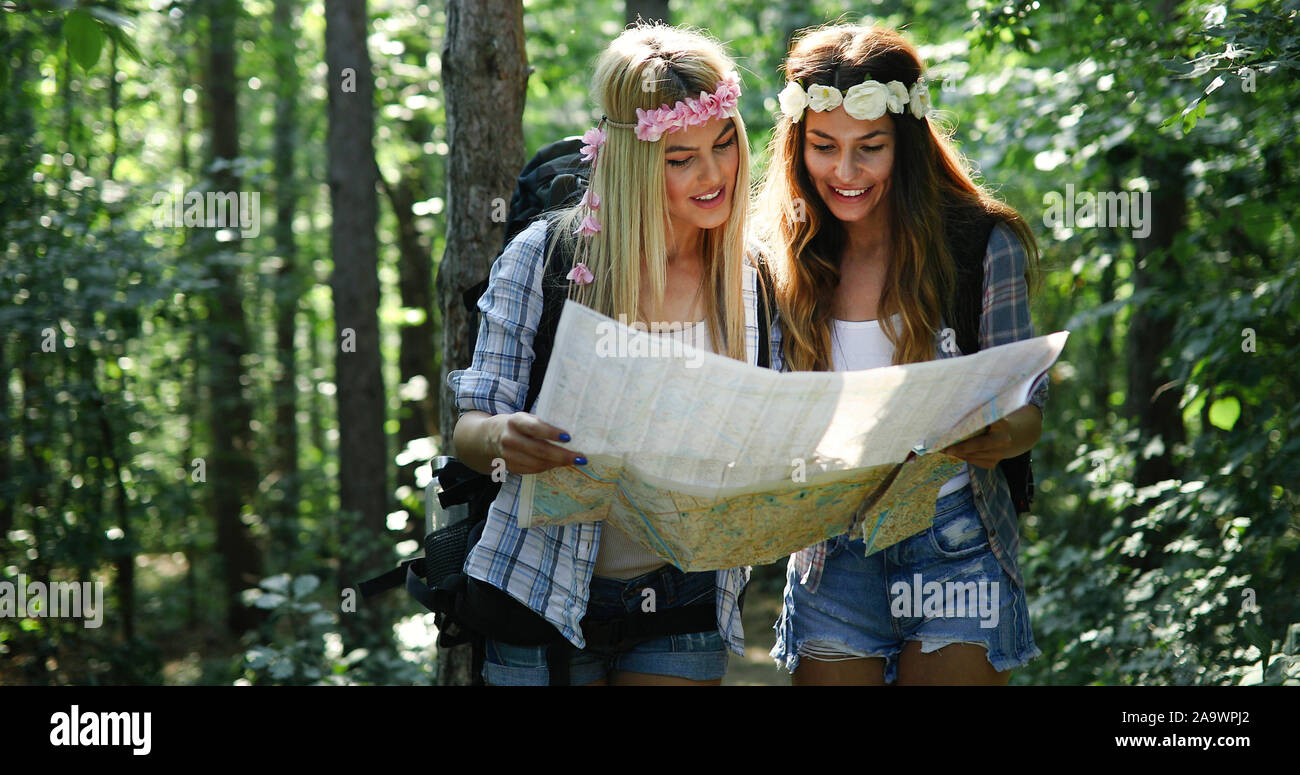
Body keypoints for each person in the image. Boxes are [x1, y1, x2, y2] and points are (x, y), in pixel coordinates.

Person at [447, 23, 772, 686]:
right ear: (633, 161)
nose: (714, 175)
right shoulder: (544, 258)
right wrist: (505, 437)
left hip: (682, 592)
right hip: (539, 588)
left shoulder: (750, 275)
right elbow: (467, 433)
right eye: (682, 158)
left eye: (724, 146)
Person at [757, 23, 1049, 685]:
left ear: (907, 145)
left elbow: (1030, 409)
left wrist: (1000, 432)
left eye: (871, 149)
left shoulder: (978, 245)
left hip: (955, 543)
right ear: (797, 147)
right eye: (824, 148)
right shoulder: (780, 258)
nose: (846, 172)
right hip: (832, 552)